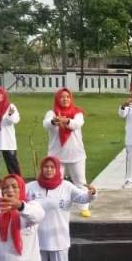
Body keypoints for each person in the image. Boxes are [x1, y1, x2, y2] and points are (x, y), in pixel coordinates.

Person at [27, 157, 96, 261]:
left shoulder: (66, 186)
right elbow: (17, 198)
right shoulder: (31, 187)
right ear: (41, 168)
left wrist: (92, 194)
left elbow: (83, 198)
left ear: (57, 169)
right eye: (46, 167)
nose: (49, 170)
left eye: (52, 167)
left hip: (59, 239)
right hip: (36, 240)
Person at [43, 88, 91, 217]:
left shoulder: (77, 112)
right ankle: (55, 206)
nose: (65, 99)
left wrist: (66, 121)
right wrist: (54, 121)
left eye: (67, 97)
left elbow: (77, 124)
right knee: (56, 183)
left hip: (76, 154)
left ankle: (84, 207)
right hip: (56, 156)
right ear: (57, 99)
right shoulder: (51, 112)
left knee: (80, 182)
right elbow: (46, 124)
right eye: (62, 97)